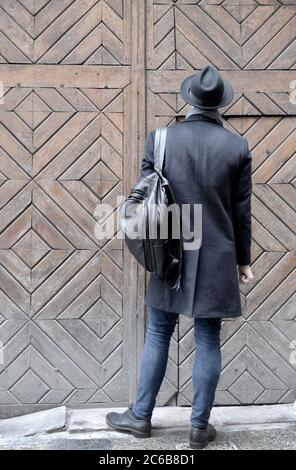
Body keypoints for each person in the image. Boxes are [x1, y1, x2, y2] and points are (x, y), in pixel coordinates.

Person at [106, 65, 254, 449]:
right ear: (220, 105)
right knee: (208, 337)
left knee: (158, 332)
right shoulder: (237, 147)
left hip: (169, 252)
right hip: (218, 256)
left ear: (188, 101)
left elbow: (144, 197)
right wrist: (243, 259)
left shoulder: (160, 140)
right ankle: (198, 428)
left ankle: (140, 417)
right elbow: (241, 212)